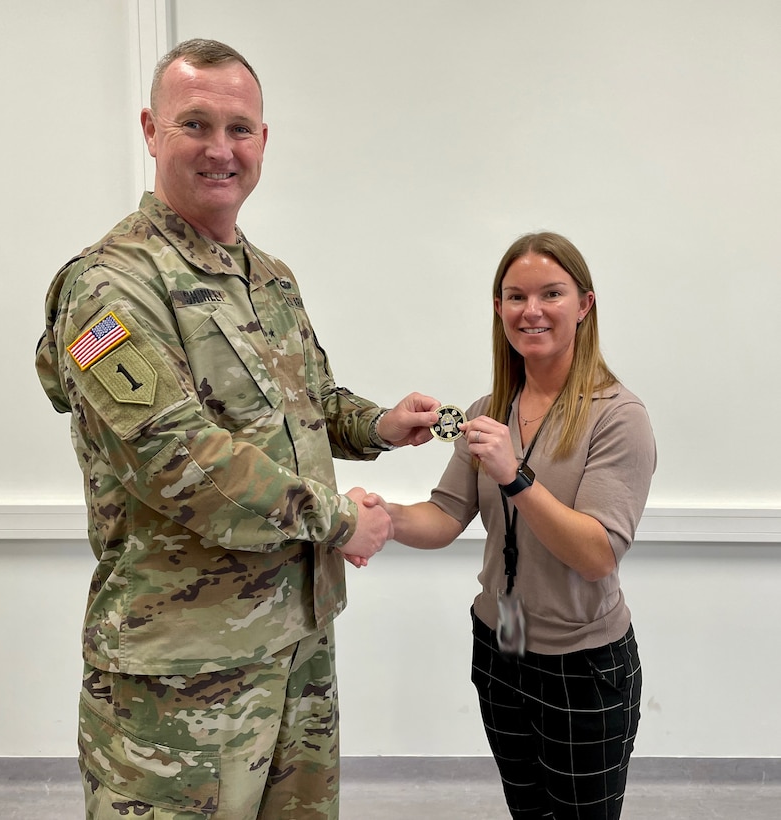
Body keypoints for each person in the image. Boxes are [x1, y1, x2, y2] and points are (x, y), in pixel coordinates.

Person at [34, 38, 439, 820]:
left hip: (298, 642)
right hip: (184, 671)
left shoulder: (270, 277)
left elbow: (309, 404)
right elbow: (181, 459)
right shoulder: (109, 288)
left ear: (263, 140)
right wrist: (340, 520)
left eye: (240, 128)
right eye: (196, 125)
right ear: (151, 130)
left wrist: (379, 425)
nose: (221, 149)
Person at [366, 232, 656, 819]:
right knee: (528, 812)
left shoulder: (619, 418)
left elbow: (598, 554)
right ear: (498, 309)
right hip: (503, 644)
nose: (532, 311)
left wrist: (515, 475)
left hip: (583, 664)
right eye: (515, 296)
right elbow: (446, 515)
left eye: (551, 293)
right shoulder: (486, 410)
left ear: (585, 304)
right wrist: (380, 519)